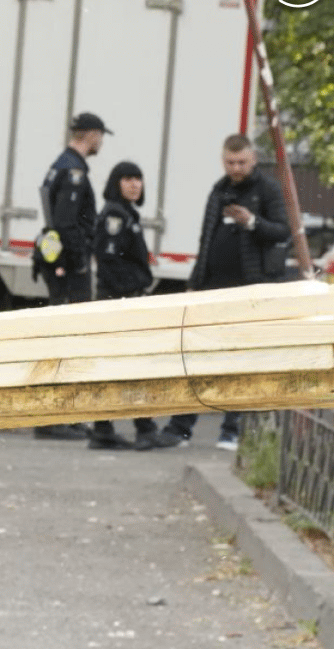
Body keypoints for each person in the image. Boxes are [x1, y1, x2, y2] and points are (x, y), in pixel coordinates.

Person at [161, 133, 290, 450]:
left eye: (241, 162)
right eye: (230, 162)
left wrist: (252, 222)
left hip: (250, 290)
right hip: (211, 287)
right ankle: (181, 428)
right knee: (196, 359)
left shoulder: (267, 190)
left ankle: (233, 430)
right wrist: (195, 281)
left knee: (240, 362)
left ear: (254, 159)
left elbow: (282, 231)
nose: (236, 168)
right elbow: (205, 240)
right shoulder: (219, 190)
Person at [86, 161, 183, 451]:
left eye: (138, 179)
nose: (134, 184)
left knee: (119, 367)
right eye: (127, 179)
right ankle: (142, 429)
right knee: (132, 366)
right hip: (119, 301)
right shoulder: (116, 215)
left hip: (121, 299)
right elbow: (109, 260)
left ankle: (106, 429)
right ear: (116, 183)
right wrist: (131, 290)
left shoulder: (127, 213)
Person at [32, 112, 109, 441]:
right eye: (100, 136)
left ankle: (63, 415)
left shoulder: (61, 164)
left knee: (63, 337)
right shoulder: (74, 171)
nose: (101, 142)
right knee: (66, 339)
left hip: (55, 260)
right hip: (67, 266)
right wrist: (78, 262)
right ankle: (52, 420)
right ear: (90, 135)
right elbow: (66, 224)